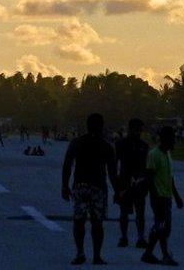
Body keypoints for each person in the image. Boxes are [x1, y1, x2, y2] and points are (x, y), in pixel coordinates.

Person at [61, 113, 118, 265]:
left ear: (87, 125)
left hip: (80, 186)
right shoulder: (106, 146)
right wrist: (118, 192)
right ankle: (96, 255)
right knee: (97, 222)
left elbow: (67, 165)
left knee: (79, 221)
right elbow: (112, 173)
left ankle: (80, 253)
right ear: (102, 126)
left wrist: (65, 186)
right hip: (98, 187)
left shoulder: (77, 143)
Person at [141, 126, 184, 266]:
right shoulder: (154, 154)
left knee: (160, 226)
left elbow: (170, 178)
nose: (174, 142)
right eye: (172, 139)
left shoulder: (167, 154)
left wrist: (176, 196)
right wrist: (155, 197)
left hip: (166, 197)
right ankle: (165, 255)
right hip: (159, 198)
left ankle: (148, 253)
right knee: (163, 227)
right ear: (164, 139)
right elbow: (149, 178)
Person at [115, 118, 150, 249]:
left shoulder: (144, 146)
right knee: (124, 212)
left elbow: (147, 166)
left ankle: (140, 237)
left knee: (140, 212)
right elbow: (114, 164)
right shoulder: (121, 144)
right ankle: (124, 237)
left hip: (139, 183)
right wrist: (117, 184)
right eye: (136, 129)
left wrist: (145, 182)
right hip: (124, 182)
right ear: (130, 129)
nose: (138, 132)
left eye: (140, 130)